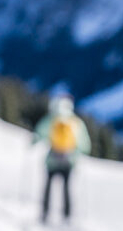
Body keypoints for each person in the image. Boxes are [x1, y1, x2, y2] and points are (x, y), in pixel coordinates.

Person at [33, 94, 91, 223]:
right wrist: (84, 151)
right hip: (69, 160)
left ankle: (45, 213)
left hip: (52, 159)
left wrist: (33, 141)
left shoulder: (52, 119)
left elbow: (40, 133)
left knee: (48, 187)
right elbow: (84, 142)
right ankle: (67, 215)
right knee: (66, 188)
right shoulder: (75, 121)